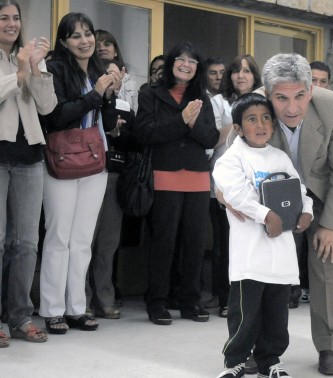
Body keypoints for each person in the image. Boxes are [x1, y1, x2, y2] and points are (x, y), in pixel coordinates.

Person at [225, 53, 333, 376]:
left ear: (311, 89)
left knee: (328, 260)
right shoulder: (253, 107)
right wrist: (223, 195)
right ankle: (258, 349)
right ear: (268, 94)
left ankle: (330, 346)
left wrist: (332, 226)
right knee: (260, 272)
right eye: (281, 98)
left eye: (300, 95)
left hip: (321, 194)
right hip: (268, 197)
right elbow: (230, 160)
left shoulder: (332, 105)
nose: (292, 107)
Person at [213, 93, 313, 378]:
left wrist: (307, 211)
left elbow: (299, 191)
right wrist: (266, 215)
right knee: (244, 314)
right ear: (238, 127)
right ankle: (235, 362)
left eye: (266, 118)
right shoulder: (231, 159)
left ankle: (270, 361)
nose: (261, 125)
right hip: (250, 253)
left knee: (276, 315)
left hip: (280, 253)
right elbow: (237, 196)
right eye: (252, 119)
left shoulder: (279, 157)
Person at [40, 12, 122, 334]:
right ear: (63, 41)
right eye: (76, 36)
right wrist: (96, 92)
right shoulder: (55, 69)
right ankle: (52, 308)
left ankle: (76, 307)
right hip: (61, 159)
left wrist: (112, 92)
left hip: (95, 160)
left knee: (83, 239)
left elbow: (110, 119)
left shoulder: (99, 71)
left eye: (88, 34)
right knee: (58, 236)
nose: (85, 41)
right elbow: (57, 116)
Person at [135, 41, 219, 326]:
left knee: (195, 244)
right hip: (164, 176)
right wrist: (181, 120)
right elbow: (145, 132)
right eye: (181, 59)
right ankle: (157, 302)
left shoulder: (203, 98)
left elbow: (210, 138)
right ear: (171, 63)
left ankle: (189, 301)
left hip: (196, 178)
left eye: (192, 61)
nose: (186, 64)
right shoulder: (151, 94)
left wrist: (192, 124)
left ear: (198, 69)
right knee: (164, 242)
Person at [0, 0, 57, 346]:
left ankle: (20, 316)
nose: (11, 23)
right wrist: (18, 74)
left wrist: (36, 70)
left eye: (15, 18)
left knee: (26, 244)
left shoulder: (30, 57)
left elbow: (48, 106)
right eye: (3, 18)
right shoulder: (14, 62)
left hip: (30, 157)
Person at [208, 54, 262, 318]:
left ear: (255, 76)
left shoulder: (264, 102)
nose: (241, 75)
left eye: (247, 71)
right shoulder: (218, 102)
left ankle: (254, 298)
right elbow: (211, 141)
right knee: (225, 244)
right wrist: (237, 124)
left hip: (257, 185)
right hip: (226, 184)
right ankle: (226, 299)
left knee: (256, 242)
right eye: (236, 71)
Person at [85, 59, 136, 320]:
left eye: (116, 73)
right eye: (107, 74)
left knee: (108, 241)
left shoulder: (125, 106)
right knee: (85, 241)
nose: (112, 77)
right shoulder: (91, 99)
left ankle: (104, 297)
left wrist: (120, 132)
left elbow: (134, 140)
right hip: (87, 173)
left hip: (114, 175)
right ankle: (81, 299)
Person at [95, 29, 137, 112]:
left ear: (116, 52)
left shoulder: (130, 82)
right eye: (97, 45)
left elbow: (135, 112)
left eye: (107, 44)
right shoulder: (87, 78)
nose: (102, 48)